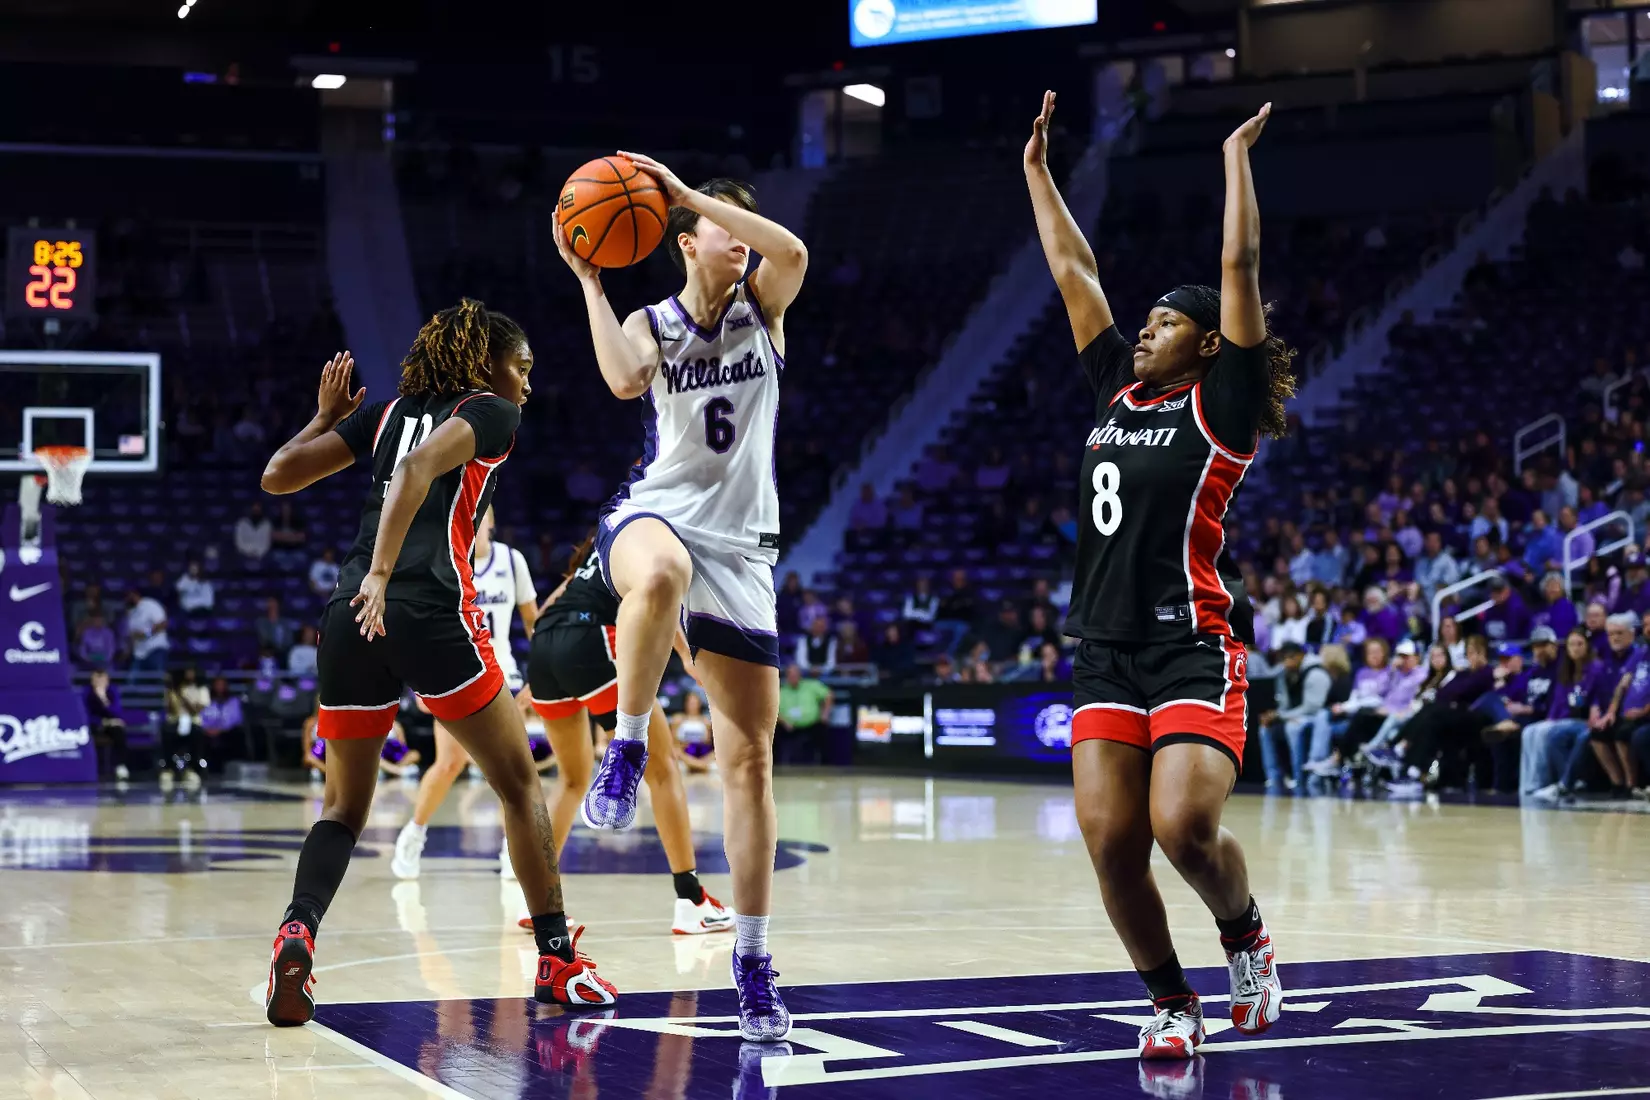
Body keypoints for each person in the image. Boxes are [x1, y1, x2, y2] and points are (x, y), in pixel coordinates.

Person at [254, 317, 614, 1027]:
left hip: (347, 614)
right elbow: (421, 471)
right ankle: (555, 959)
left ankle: (298, 929)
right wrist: (386, 575)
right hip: (426, 608)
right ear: (486, 363)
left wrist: (324, 418)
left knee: (342, 809)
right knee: (519, 784)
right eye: (523, 366)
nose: (528, 384)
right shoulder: (491, 412)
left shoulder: (386, 415)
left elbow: (277, 475)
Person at [1026, 90, 1290, 1057]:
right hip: (1104, 652)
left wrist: (1233, 158)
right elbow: (1071, 269)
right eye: (1140, 323)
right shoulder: (1115, 388)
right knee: (1110, 840)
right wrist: (1037, 174)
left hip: (1191, 647)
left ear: (1206, 342)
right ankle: (1174, 1002)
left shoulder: (1223, 402)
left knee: (1182, 827)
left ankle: (1246, 935)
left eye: (1162, 322)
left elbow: (1240, 266)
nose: (1142, 331)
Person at [559, 156, 806, 1043]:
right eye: (719, 229)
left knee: (748, 762)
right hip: (657, 514)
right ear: (685, 244)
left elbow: (796, 252)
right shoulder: (652, 321)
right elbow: (624, 379)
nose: (739, 239)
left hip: (744, 550)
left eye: (742, 227)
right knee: (657, 574)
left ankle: (750, 960)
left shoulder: (765, 309)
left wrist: (697, 199)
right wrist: (591, 283)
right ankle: (626, 747)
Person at [390, 505, 541, 878]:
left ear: (491, 519)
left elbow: (532, 623)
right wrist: (423, 684)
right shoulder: (445, 561)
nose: (476, 521)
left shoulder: (512, 560)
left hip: (503, 674)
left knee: (514, 770)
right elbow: (423, 629)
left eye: (482, 515)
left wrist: (538, 675)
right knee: (449, 764)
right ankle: (414, 833)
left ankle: (514, 849)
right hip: (454, 674)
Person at [1526, 629, 1598, 798]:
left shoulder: (1596, 668)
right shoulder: (1566, 670)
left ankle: (1561, 783)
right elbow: (1559, 700)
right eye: (1571, 644)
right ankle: (1543, 782)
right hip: (1569, 719)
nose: (1575, 648)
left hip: (1586, 720)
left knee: (1552, 732)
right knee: (1535, 731)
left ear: (1587, 646)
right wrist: (1551, 718)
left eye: (1580, 644)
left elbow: (1596, 698)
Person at [776, 662, 832, 765]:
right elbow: (773, 710)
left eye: (795, 675)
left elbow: (828, 695)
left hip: (812, 726)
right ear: (787, 676)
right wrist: (783, 721)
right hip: (788, 728)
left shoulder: (811, 686)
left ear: (800, 675)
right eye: (790, 675)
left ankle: (824, 766)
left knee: (823, 731)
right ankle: (780, 767)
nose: (793, 678)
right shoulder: (781, 691)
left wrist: (825, 714)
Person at [85, 668, 129, 781]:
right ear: (92, 680)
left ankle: (121, 766)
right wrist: (103, 722)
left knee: (119, 730)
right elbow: (84, 715)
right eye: (97, 680)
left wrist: (104, 699)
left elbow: (117, 712)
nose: (99, 683)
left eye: (102, 680)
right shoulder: (86, 693)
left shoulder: (112, 691)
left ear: (107, 681)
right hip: (93, 725)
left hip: (110, 725)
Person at [121, 587, 170, 677]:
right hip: (139, 653)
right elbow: (133, 635)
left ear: (135, 594)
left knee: (158, 680)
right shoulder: (131, 612)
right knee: (132, 683)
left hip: (155, 649)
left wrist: (146, 634)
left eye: (128, 596)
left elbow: (163, 624)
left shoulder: (150, 605)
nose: (126, 598)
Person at [672, 691, 716, 774]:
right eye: (690, 702)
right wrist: (682, 744)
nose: (692, 705)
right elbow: (673, 741)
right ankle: (699, 766)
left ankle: (697, 765)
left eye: (695, 702)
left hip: (702, 750)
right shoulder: (678, 719)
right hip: (685, 749)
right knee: (676, 751)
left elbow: (708, 742)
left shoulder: (706, 721)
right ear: (685, 703)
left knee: (716, 753)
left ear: (699, 704)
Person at [235, 502, 273, 571]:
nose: (256, 511)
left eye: (258, 510)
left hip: (262, 555)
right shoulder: (242, 523)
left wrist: (258, 553)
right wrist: (248, 552)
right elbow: (239, 542)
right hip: (244, 554)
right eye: (254, 509)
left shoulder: (266, 524)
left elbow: (267, 543)